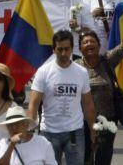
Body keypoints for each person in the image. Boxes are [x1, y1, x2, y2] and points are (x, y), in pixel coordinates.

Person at [76, 11, 123, 165]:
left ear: (99, 45)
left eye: (92, 41)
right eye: (85, 43)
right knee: (85, 158)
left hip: (108, 119)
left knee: (104, 158)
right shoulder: (75, 67)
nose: (89, 44)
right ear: (80, 48)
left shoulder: (107, 60)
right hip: (82, 122)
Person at [27, 31, 97, 165]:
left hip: (75, 133)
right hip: (49, 133)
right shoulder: (43, 72)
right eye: (60, 49)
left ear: (72, 49)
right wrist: (29, 131)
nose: (64, 53)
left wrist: (93, 130)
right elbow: (33, 104)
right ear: (54, 49)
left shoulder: (81, 72)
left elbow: (88, 104)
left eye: (67, 49)